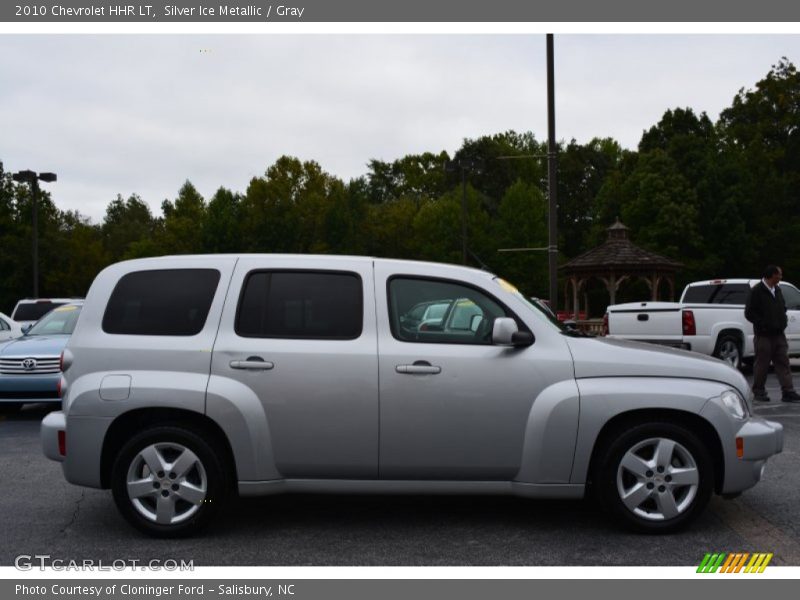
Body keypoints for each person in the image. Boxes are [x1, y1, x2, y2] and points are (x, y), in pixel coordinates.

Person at [744, 265, 800, 402]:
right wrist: (762, 325)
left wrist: (783, 321)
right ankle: (759, 391)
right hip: (764, 335)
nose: (781, 277)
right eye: (779, 275)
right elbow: (749, 312)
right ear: (772, 275)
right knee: (762, 364)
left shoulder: (778, 290)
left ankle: (788, 391)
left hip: (779, 334)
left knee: (783, 363)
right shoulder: (757, 291)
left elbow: (782, 307)